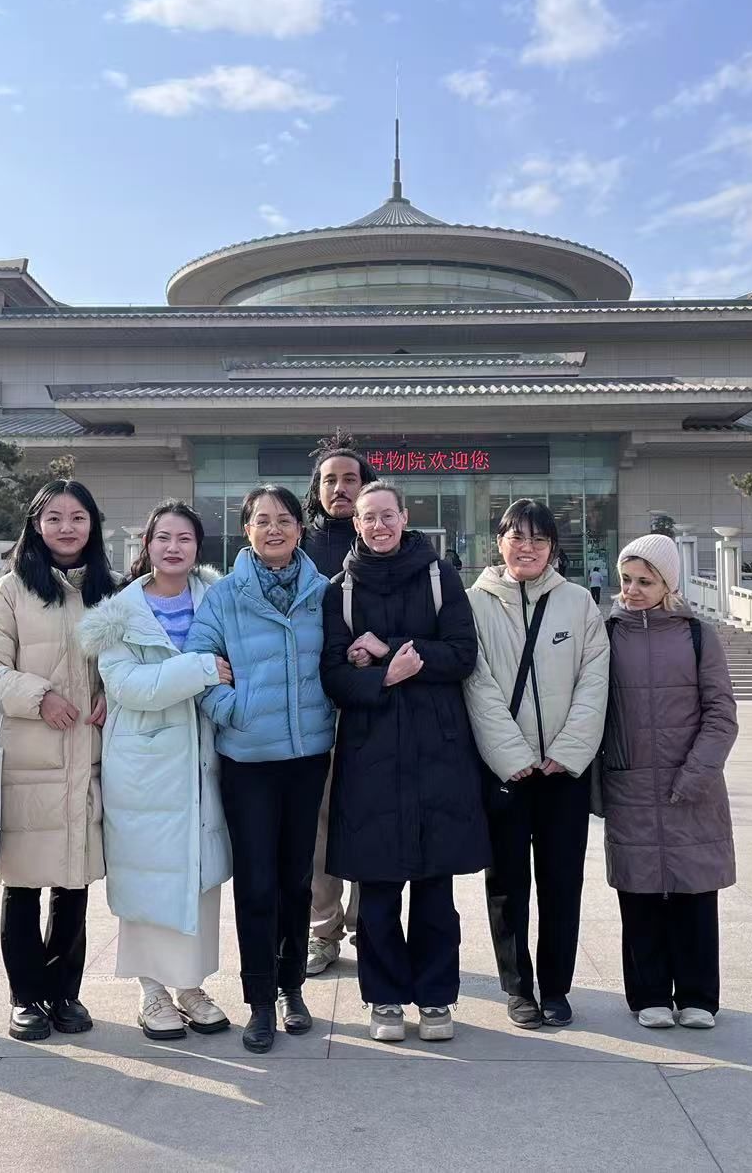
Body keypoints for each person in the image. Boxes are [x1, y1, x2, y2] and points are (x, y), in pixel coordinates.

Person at [321, 482, 489, 1044]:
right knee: (378, 889)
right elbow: (333, 675)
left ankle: (437, 997)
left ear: (404, 517)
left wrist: (385, 649)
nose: (378, 526)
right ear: (357, 524)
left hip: (438, 751)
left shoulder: (441, 576)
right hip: (370, 753)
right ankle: (385, 996)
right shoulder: (340, 590)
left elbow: (462, 654)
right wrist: (385, 676)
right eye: (368, 518)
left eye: (387, 515)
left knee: (436, 889)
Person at [184, 484, 335, 1054]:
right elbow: (198, 664)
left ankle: (292, 987)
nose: (274, 529)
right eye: (262, 520)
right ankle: (260, 1000)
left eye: (285, 520)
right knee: (256, 882)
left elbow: (340, 660)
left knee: (297, 879)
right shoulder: (224, 596)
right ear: (246, 530)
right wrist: (236, 712)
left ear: (300, 528)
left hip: (308, 756)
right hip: (248, 762)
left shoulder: (323, 592)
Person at [78, 502, 234, 1040]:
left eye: (184, 538)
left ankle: (190, 985)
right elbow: (129, 687)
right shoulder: (118, 614)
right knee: (147, 875)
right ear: (146, 544)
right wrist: (201, 668)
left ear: (198, 546)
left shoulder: (218, 598)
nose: (173, 547)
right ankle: (152, 991)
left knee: (198, 876)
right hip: (145, 764)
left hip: (203, 758)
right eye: (163, 537)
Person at [0, 480, 116, 1042]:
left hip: (87, 756)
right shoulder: (11, 589)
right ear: (36, 525)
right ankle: (25, 997)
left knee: (74, 883)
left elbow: (127, 660)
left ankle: (65, 993)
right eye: (54, 517)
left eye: (77, 517)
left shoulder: (109, 589)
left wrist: (112, 693)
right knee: (24, 883)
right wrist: (39, 697)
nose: (66, 527)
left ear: (92, 524)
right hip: (30, 759)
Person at [464, 500, 609, 1029]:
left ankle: (557, 987)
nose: (527, 548)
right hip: (506, 772)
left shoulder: (578, 603)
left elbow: (594, 682)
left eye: (539, 539)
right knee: (506, 885)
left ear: (553, 547)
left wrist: (566, 753)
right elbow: (476, 684)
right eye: (517, 537)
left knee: (561, 882)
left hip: (563, 773)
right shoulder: (474, 603)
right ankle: (518, 987)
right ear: (498, 542)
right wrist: (513, 757)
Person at [601, 534, 737, 1031]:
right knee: (637, 894)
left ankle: (699, 995)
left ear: (668, 585)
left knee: (694, 894)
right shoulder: (607, 634)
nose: (632, 590)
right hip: (631, 785)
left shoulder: (698, 635)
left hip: (692, 787)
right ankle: (649, 994)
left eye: (645, 581)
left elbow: (721, 713)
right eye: (626, 580)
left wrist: (697, 774)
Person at [299, 432, 377, 977]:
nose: (340, 488)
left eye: (351, 479)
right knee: (319, 821)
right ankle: (322, 929)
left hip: (373, 702)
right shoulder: (297, 545)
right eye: (330, 480)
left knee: (371, 814)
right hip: (314, 702)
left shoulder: (384, 542)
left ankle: (370, 926)